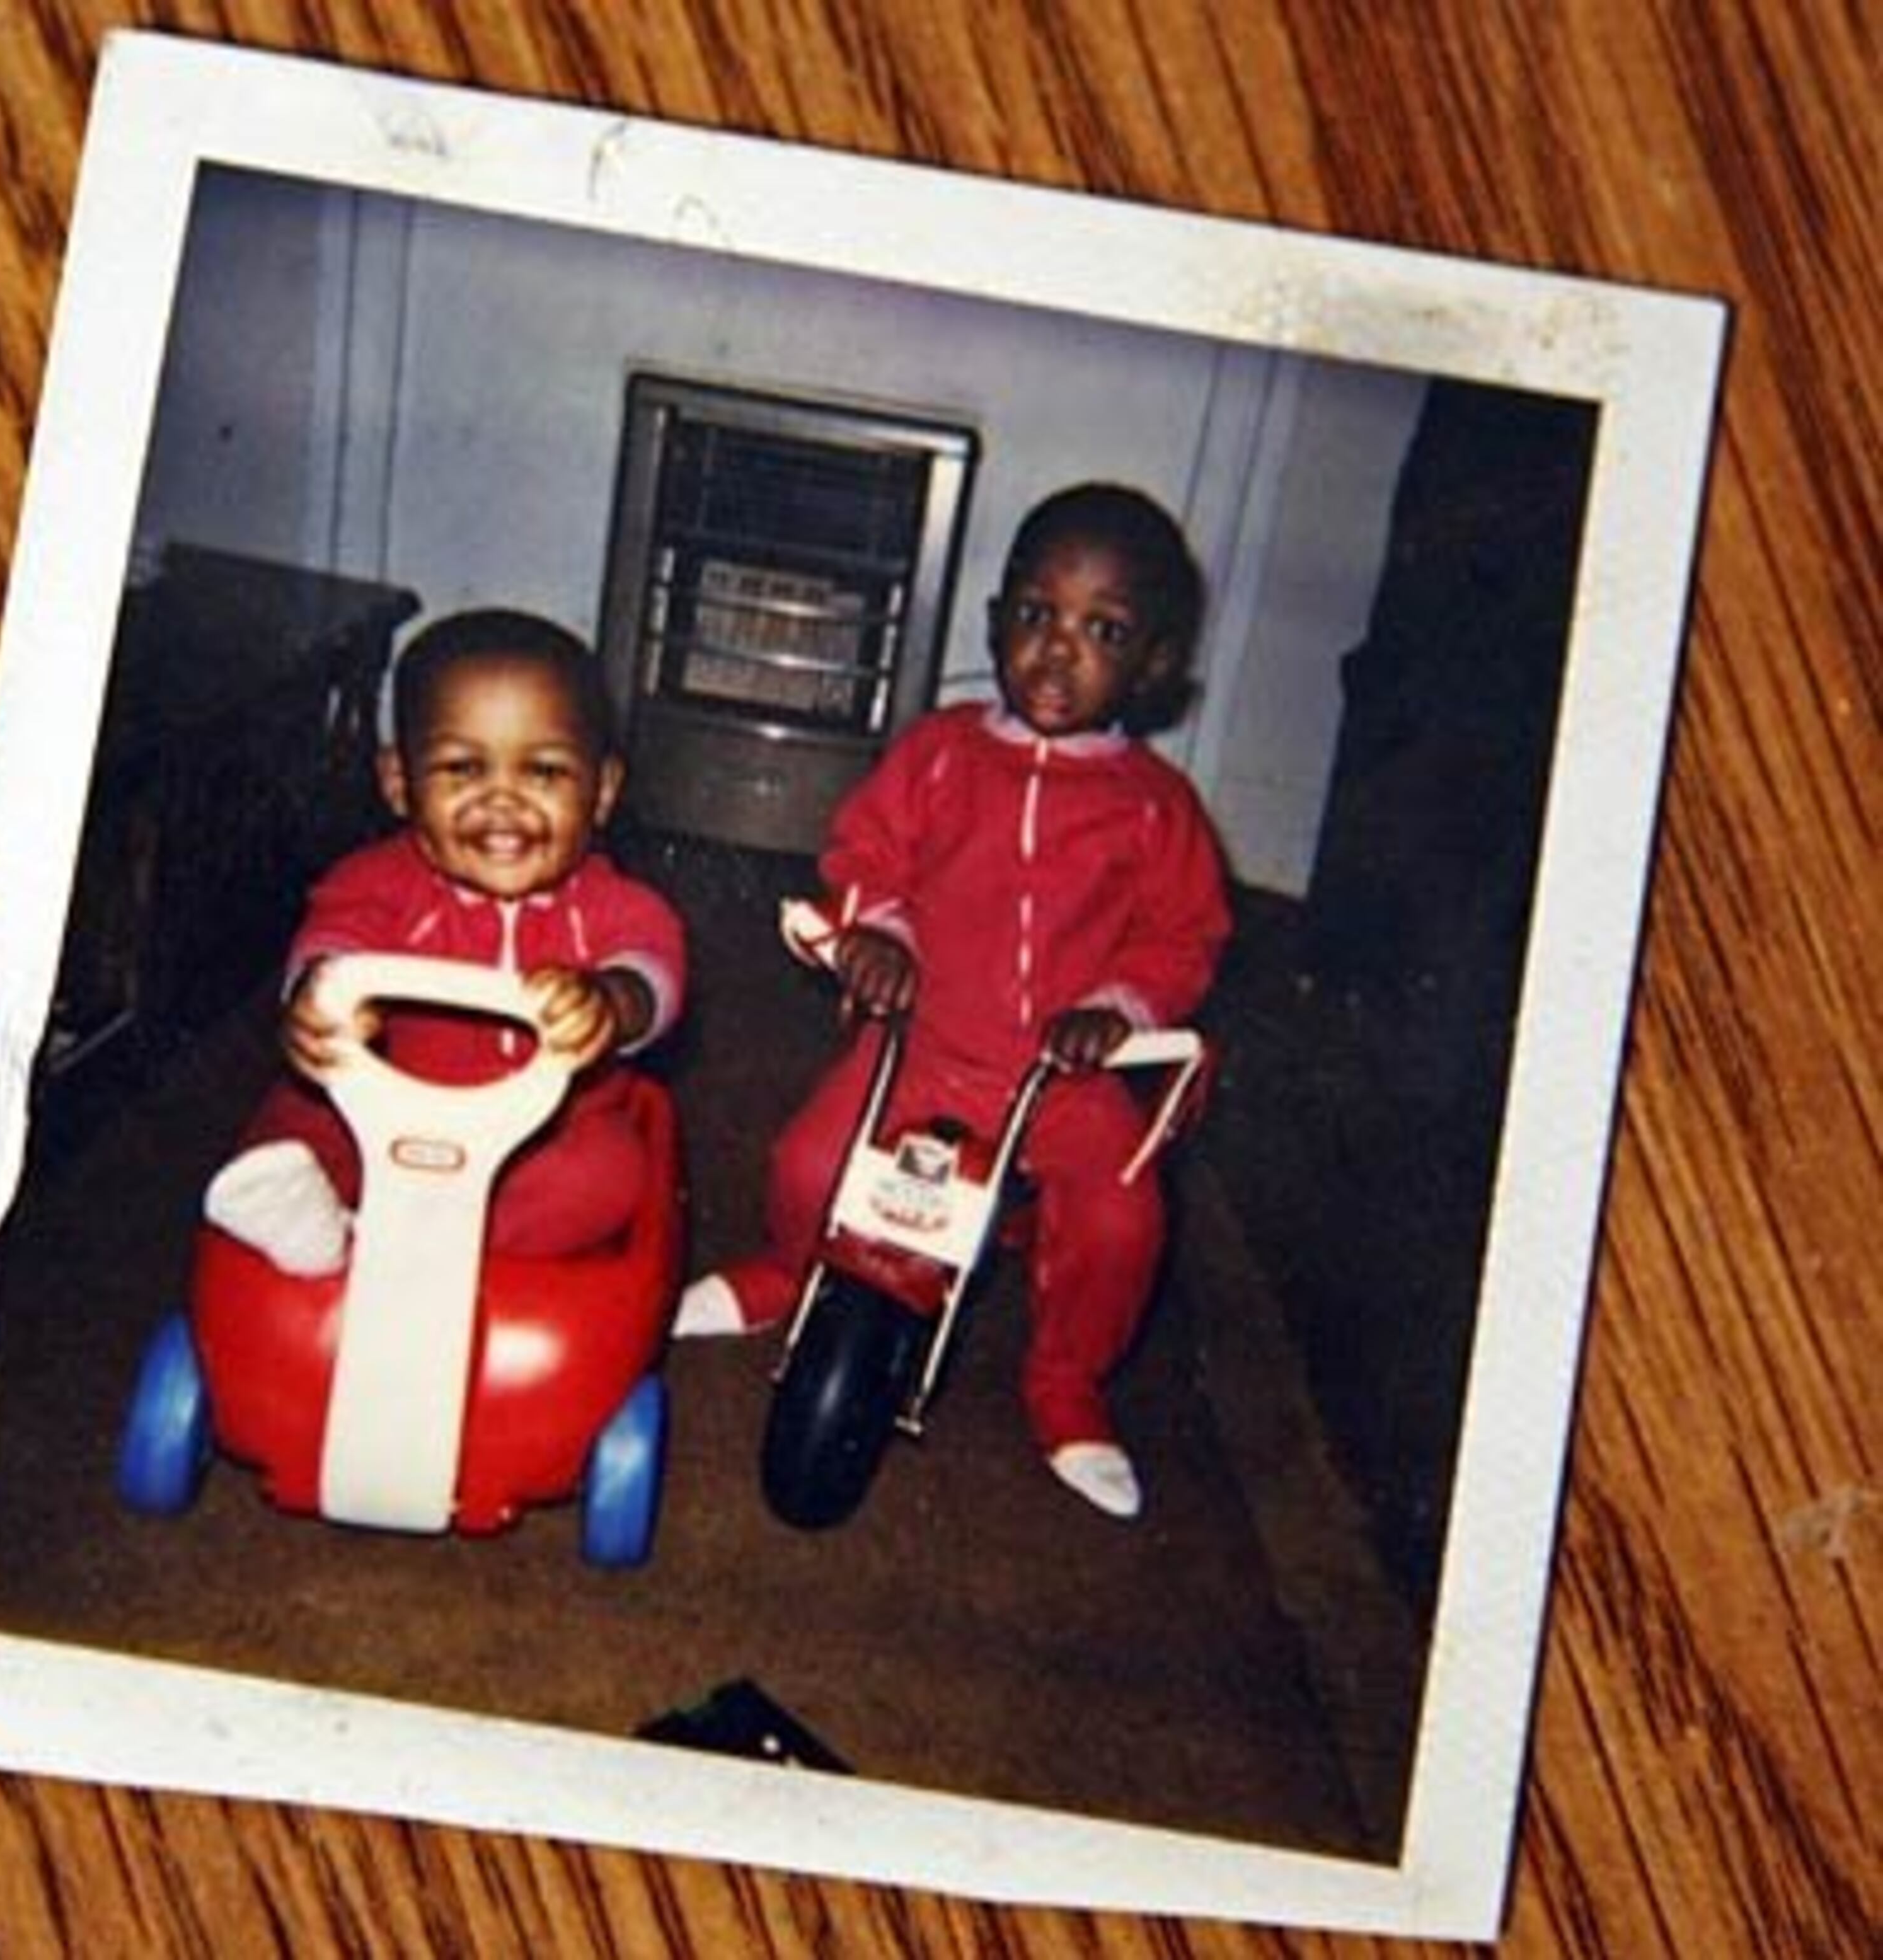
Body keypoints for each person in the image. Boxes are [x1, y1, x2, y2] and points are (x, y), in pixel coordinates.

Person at [676, 483, 1232, 1519]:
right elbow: (864, 852)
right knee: (807, 1162)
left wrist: (1119, 1006)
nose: (1057, 652)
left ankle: (1067, 1379)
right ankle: (791, 1273)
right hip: (927, 1045)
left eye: (1101, 630)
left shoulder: (1159, 809)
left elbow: (1185, 935)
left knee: (1120, 1218)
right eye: (1034, 616)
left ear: (1153, 667)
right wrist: (879, 930)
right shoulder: (938, 753)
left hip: (1060, 1075)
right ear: (995, 621)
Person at [205, 608, 685, 1276]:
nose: (502, 800)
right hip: (377, 1123)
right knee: (285, 1136)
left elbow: (653, 969)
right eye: (462, 769)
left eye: (543, 772)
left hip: (536, 1138)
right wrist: (319, 1000)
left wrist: (612, 999)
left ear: (601, 791)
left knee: (602, 1176)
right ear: (400, 783)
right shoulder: (376, 882)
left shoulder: (610, 905)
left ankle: (387, 1247)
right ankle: (341, 1226)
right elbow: (330, 945)